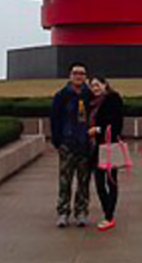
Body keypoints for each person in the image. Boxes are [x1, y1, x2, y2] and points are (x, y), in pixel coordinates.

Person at [50, 62, 93, 227]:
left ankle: (81, 212)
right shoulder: (61, 95)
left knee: (84, 181)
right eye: (75, 73)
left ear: (85, 77)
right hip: (67, 143)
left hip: (84, 144)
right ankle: (63, 212)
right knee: (64, 181)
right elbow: (55, 120)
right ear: (70, 75)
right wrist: (57, 141)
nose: (78, 76)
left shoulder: (90, 95)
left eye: (82, 73)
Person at [87, 75, 124, 232]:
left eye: (97, 85)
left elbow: (116, 124)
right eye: (92, 86)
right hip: (96, 147)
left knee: (111, 181)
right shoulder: (92, 103)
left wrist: (98, 129)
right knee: (99, 182)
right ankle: (107, 213)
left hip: (108, 145)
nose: (95, 88)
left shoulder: (113, 99)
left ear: (105, 85)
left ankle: (109, 216)